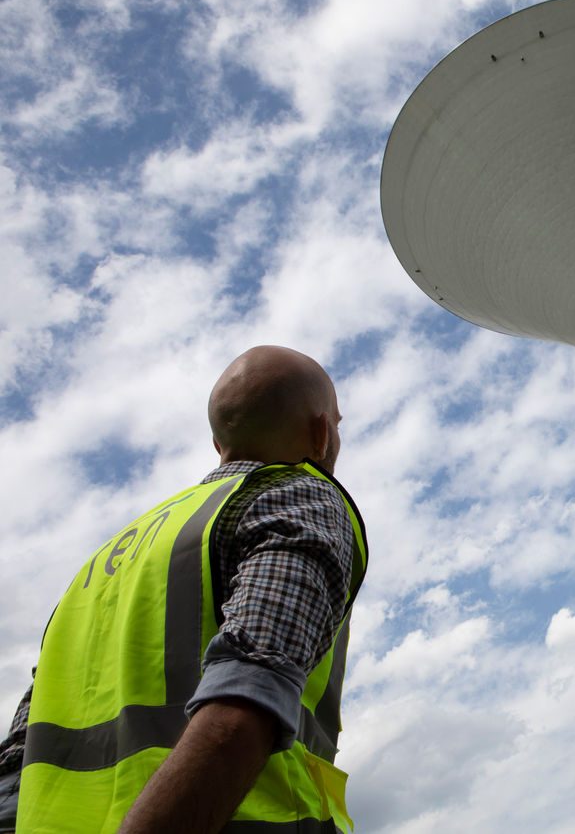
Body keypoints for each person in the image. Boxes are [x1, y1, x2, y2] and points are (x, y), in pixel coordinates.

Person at [0, 346, 368, 833]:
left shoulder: (106, 561)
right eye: (337, 424)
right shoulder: (298, 493)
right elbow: (244, 707)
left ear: (218, 445)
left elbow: (18, 754)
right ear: (321, 434)